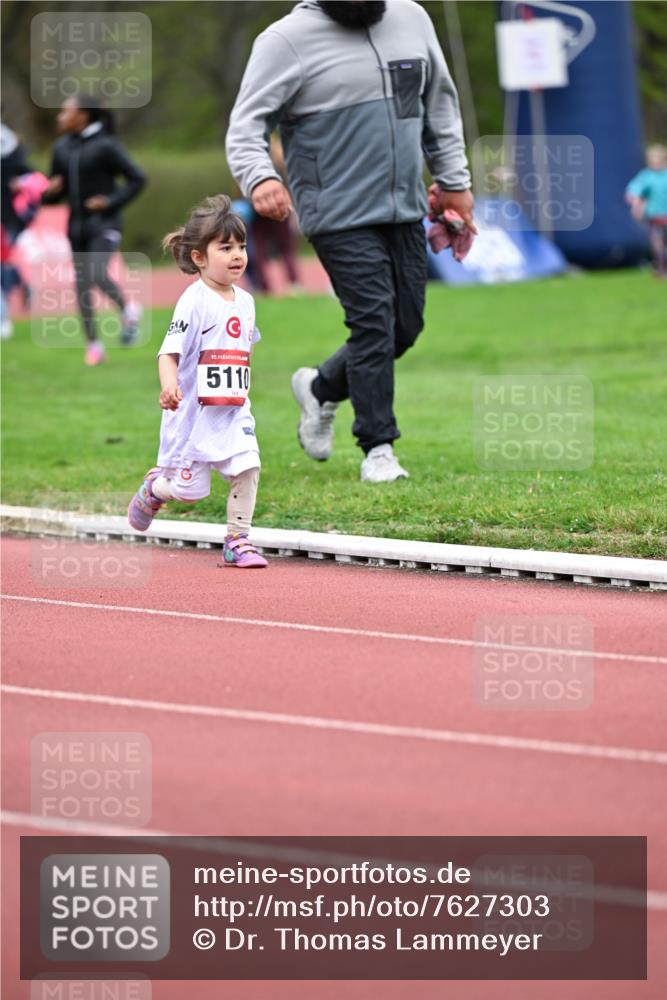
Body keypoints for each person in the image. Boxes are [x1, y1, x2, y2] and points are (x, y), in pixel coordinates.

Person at [226, 0, 475, 482]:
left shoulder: (413, 19)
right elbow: (246, 126)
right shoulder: (283, 40)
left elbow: (439, 106)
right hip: (335, 212)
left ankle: (321, 388)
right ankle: (378, 449)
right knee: (374, 325)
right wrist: (260, 178)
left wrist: (456, 181)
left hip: (403, 207)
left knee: (405, 326)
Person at [127, 194, 267, 569]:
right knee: (191, 492)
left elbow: (238, 349)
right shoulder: (194, 300)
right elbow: (168, 351)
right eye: (226, 248)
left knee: (249, 467)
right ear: (199, 258)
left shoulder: (247, 302)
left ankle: (238, 540)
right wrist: (169, 386)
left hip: (234, 410)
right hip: (193, 413)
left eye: (241, 246)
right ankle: (155, 488)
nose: (237, 255)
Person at [43, 97, 146, 365]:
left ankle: (127, 308)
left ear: (84, 115)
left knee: (96, 271)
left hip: (105, 224)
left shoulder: (106, 146)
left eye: (66, 111)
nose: (60, 117)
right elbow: (54, 193)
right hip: (76, 227)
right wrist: (49, 194)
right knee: (81, 285)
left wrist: (109, 202)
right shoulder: (61, 148)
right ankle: (94, 346)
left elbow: (138, 178)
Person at [626, 144, 667, 278]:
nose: (654, 162)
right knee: (657, 244)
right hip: (655, 217)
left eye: (657, 159)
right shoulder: (646, 176)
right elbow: (633, 191)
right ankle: (661, 269)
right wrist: (635, 202)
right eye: (652, 159)